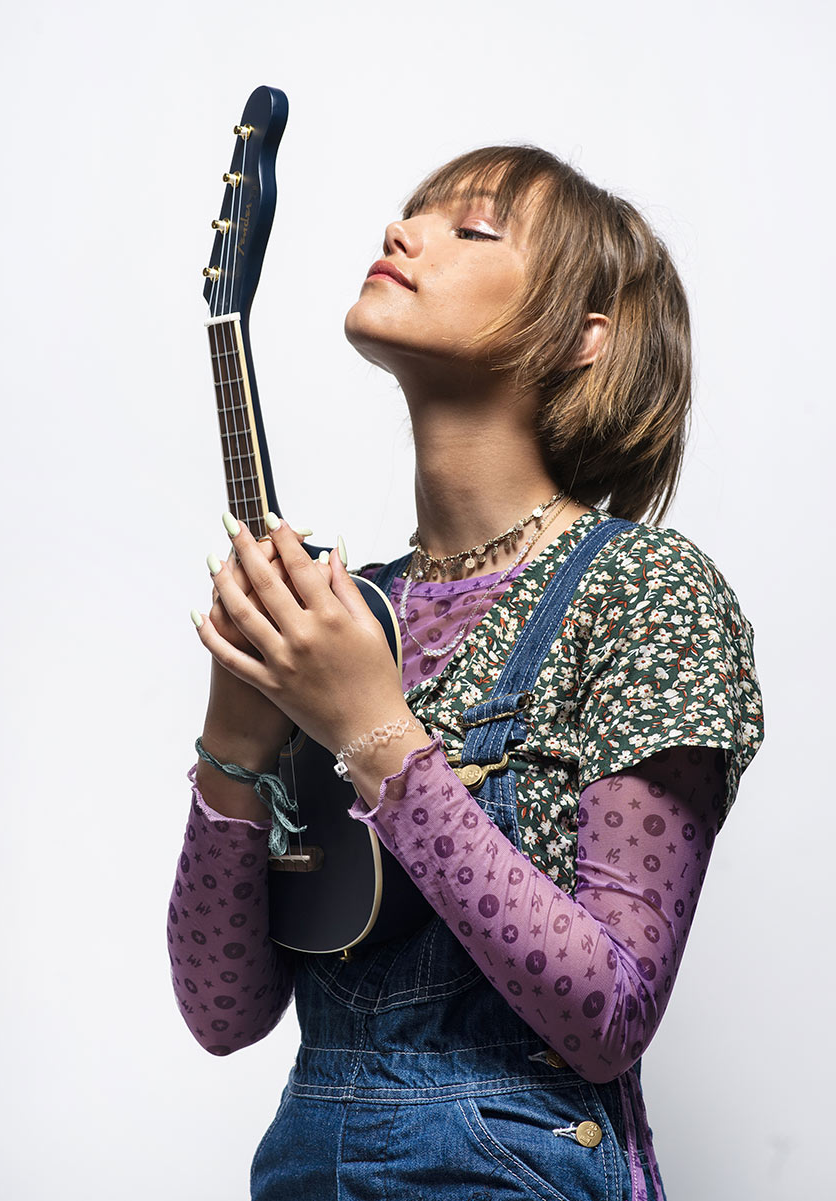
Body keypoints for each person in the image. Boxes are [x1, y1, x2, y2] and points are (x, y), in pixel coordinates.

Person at [170, 147, 762, 1200]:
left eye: (471, 228)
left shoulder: (644, 590)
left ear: (584, 337)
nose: (403, 235)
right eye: (408, 216)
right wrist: (234, 745)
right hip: (306, 1165)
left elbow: (608, 1015)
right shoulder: (355, 612)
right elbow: (224, 1012)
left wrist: (369, 729)